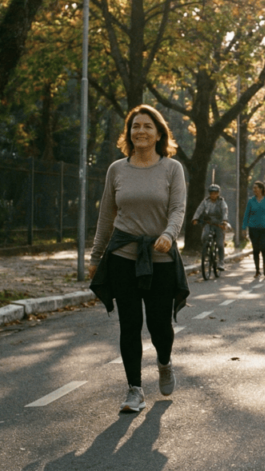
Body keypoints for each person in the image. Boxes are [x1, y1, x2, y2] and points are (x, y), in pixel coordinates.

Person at [88, 104, 189, 414]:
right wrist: (95, 255)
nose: (141, 131)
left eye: (147, 126)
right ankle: (134, 390)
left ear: (159, 133)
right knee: (129, 324)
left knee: (159, 324)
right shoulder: (117, 169)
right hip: (122, 255)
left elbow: (177, 209)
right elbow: (107, 213)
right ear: (129, 134)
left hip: (160, 257)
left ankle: (164, 362)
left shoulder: (172, 168)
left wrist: (169, 236)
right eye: (135, 126)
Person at [242, 181, 265, 277]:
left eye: (255, 188)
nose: (254, 190)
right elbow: (246, 215)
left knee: (264, 246)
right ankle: (257, 270)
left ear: (261, 189)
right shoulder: (251, 201)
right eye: (253, 188)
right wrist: (244, 228)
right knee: (256, 249)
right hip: (253, 228)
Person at [192, 184, 229, 271]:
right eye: (211, 193)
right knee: (204, 237)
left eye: (215, 193)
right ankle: (207, 251)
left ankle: (221, 262)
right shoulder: (205, 201)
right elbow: (199, 209)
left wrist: (224, 221)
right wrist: (195, 218)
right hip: (208, 223)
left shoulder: (222, 202)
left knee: (220, 244)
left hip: (219, 224)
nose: (213, 195)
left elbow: (225, 211)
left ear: (218, 194)